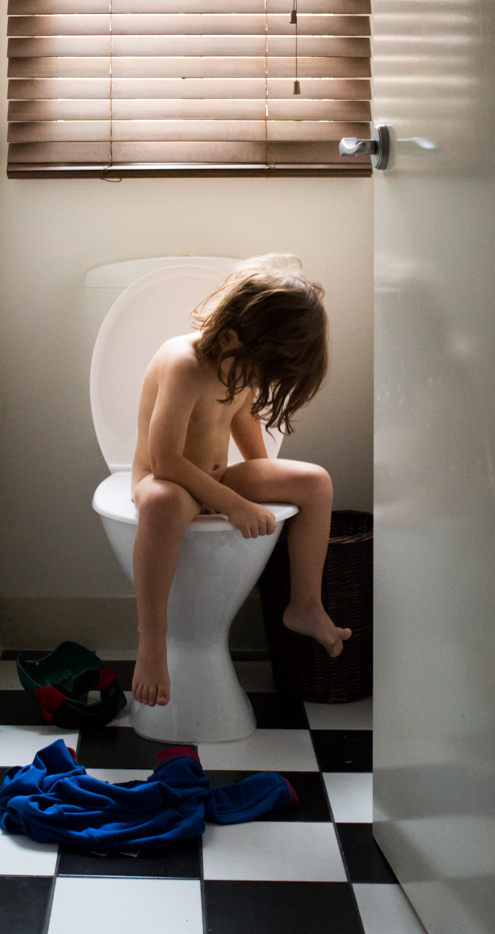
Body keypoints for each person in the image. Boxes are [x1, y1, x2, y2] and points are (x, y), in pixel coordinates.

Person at [129, 253, 351, 707]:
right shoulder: (184, 364)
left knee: (316, 482)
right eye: (261, 371)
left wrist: (267, 486)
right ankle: (151, 641)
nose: (258, 382)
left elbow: (246, 432)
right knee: (160, 504)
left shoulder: (243, 362)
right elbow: (165, 459)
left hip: (215, 479)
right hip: (168, 480)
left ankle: (304, 603)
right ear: (230, 336)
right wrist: (233, 503)